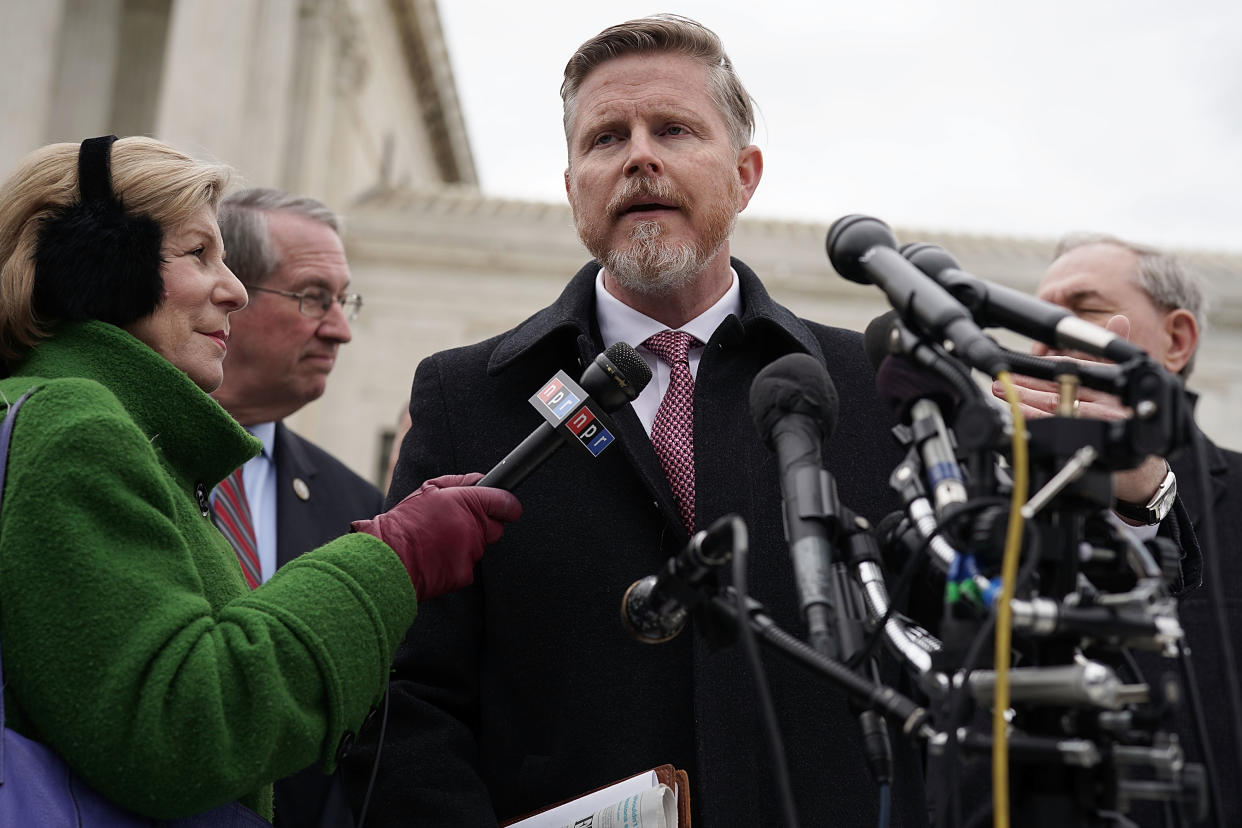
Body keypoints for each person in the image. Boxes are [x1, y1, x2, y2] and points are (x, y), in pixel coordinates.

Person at [344, 15, 927, 827]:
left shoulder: (865, 387)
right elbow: (408, 691)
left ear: (745, 173)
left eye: (675, 129)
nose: (639, 156)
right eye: (606, 137)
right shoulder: (466, 396)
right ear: (574, 182)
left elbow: (952, 664)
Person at [0, 135, 520, 822]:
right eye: (198, 254)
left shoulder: (90, 422)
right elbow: (185, 727)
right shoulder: (78, 425)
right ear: (98, 264)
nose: (234, 289)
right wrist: (390, 558)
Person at [1005, 235, 1240, 824]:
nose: (1046, 337)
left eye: (1081, 309)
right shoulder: (993, 513)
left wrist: (1148, 496)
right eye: (1037, 317)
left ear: (1177, 340)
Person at [208, 188, 386, 826]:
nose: (338, 328)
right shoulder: (117, 452)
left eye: (345, 302)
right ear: (224, 291)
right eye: (314, 297)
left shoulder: (358, 509)